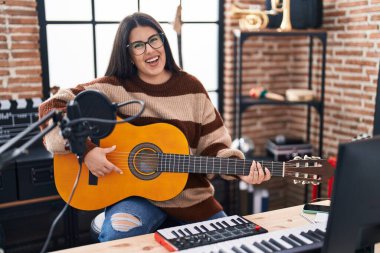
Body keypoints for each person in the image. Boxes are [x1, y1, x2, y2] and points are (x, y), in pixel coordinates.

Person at [39, 12, 271, 242]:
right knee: (119, 237)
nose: (150, 50)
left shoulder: (192, 88)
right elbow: (52, 107)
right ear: (128, 54)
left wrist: (240, 170)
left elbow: (213, 148)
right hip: (136, 199)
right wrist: (86, 150)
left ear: (163, 41)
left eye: (154, 40)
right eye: (138, 45)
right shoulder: (113, 87)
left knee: (230, 242)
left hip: (192, 198)